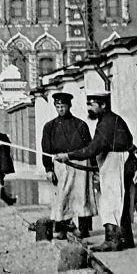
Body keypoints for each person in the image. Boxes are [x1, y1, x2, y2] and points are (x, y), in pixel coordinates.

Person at [53, 92, 137, 252]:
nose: (88, 108)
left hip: (116, 164)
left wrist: (68, 156)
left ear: (103, 105)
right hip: (115, 163)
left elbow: (93, 148)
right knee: (120, 203)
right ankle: (125, 239)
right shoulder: (109, 120)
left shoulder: (108, 122)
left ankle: (112, 241)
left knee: (110, 203)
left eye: (92, 105)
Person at [40, 92, 96, 240]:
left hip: (80, 165)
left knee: (82, 197)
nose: (60, 109)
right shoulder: (49, 127)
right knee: (62, 197)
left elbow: (90, 148)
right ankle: (61, 229)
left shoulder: (80, 125)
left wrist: (93, 168)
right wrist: (48, 169)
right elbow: (46, 150)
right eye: (58, 107)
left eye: (63, 106)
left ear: (69, 106)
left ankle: (83, 229)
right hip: (61, 166)